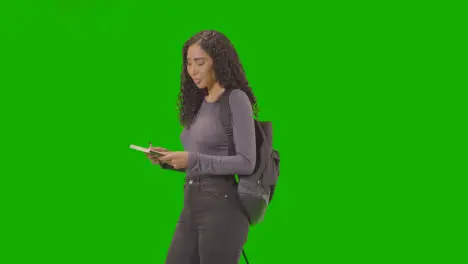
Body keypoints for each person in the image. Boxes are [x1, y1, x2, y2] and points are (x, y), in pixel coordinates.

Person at [146, 30, 259, 264]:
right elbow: (200, 158)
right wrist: (169, 160)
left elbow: (247, 162)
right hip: (191, 205)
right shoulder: (199, 103)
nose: (193, 71)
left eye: (200, 62)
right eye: (188, 63)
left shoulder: (235, 99)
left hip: (222, 208)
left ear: (218, 62)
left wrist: (192, 159)